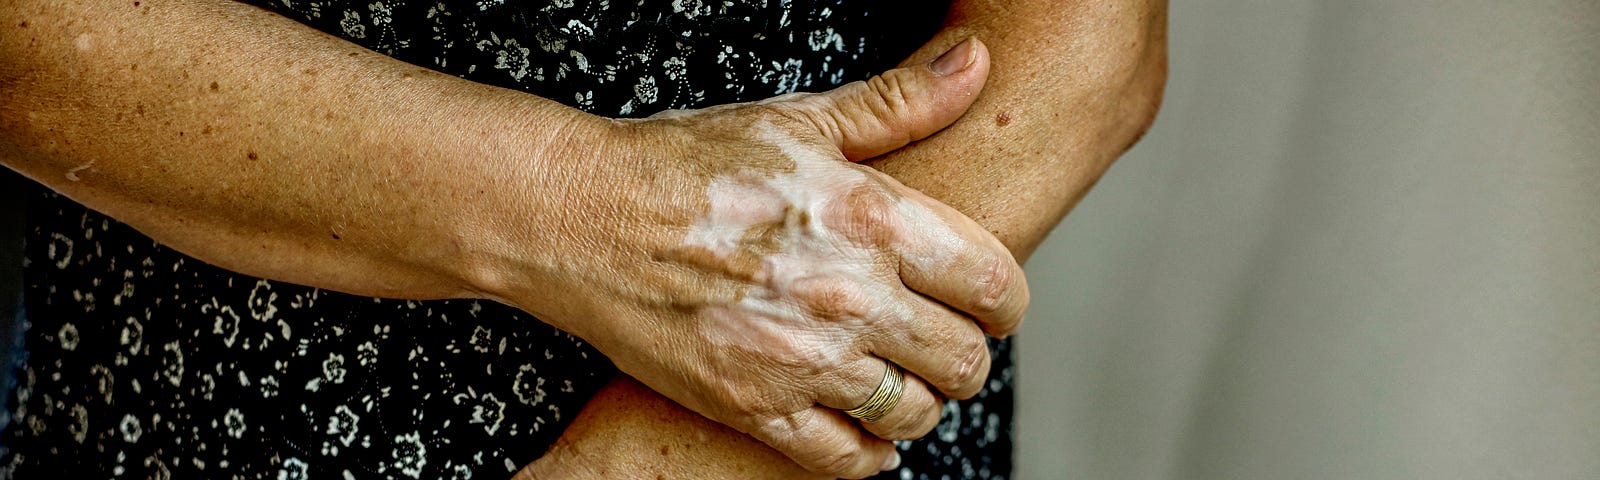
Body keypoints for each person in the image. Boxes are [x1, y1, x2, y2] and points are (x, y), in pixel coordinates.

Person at [0, 0, 1166, 478]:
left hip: (780, 432)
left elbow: (1088, 49)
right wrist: (580, 207)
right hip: (218, 415)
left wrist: (641, 471)